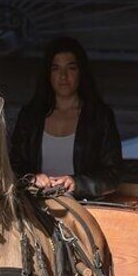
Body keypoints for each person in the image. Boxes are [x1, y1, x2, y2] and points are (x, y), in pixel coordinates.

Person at [10, 36, 122, 199]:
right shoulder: (31, 116)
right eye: (56, 68)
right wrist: (32, 178)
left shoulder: (99, 117)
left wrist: (76, 183)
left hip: (86, 208)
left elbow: (113, 175)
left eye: (71, 68)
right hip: (35, 207)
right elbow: (13, 165)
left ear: (81, 72)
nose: (63, 76)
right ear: (48, 74)